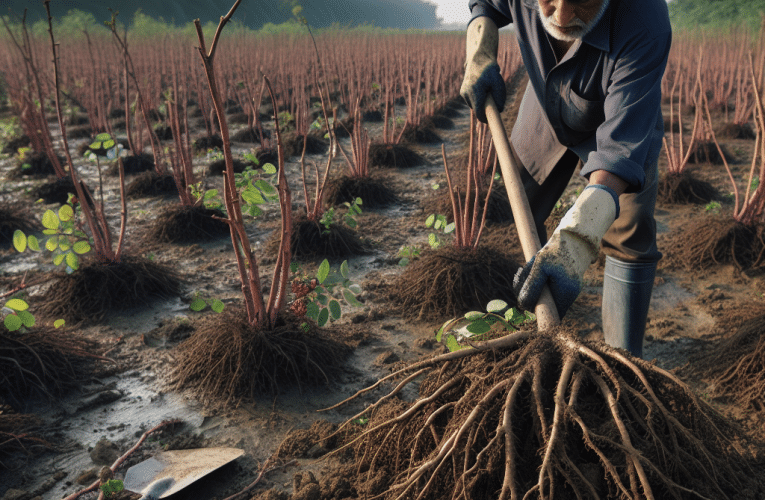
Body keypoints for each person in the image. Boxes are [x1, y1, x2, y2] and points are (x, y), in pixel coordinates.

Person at [460, 0, 671, 358]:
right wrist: (480, 47)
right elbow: (487, 6)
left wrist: (576, 240)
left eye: (582, 2)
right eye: (550, 0)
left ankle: (624, 360)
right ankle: (541, 336)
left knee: (630, 230)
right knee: (525, 198)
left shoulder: (645, 19)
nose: (560, 17)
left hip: (621, 117)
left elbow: (619, 151)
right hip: (549, 100)